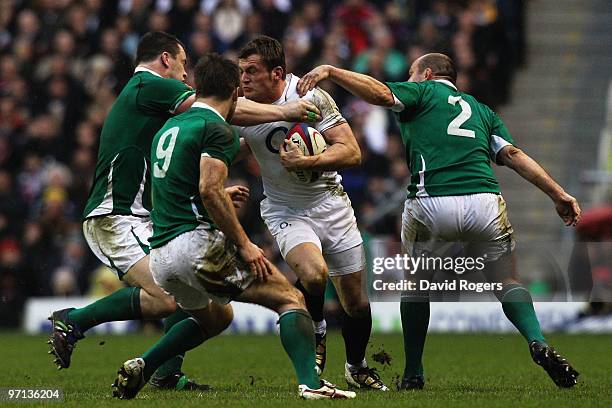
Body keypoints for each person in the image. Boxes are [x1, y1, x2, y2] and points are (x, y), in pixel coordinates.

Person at [47, 31, 321, 392]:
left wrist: (214, 185)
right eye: (182, 63)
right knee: (164, 296)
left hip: (144, 213)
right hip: (117, 215)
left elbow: (175, 164)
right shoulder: (148, 85)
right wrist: (284, 112)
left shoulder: (157, 111)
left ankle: (163, 371)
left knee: (217, 315)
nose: (184, 73)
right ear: (165, 59)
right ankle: (76, 321)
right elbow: (219, 106)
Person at [297, 53, 581, 390]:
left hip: (432, 201)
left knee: (417, 286)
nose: (409, 79)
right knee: (507, 281)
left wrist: (332, 71)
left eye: (411, 73)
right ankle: (537, 340)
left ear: (428, 74)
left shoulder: (423, 91)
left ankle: (413, 373)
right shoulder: (481, 110)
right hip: (484, 201)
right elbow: (514, 156)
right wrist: (557, 193)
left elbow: (380, 94)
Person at [111, 53, 355, 400]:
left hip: (162, 252)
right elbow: (209, 189)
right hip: (193, 245)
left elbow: (175, 188)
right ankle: (312, 384)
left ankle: (144, 365)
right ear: (232, 91)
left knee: (216, 319)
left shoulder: (169, 127)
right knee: (291, 299)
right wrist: (243, 243)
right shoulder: (218, 129)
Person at [235, 36, 388, 391]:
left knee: (354, 301)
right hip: (285, 209)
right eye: (241, 71)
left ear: (277, 73)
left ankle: (357, 366)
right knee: (314, 274)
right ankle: (317, 332)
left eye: (252, 71)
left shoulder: (309, 97)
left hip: (331, 204)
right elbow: (223, 141)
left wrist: (309, 162)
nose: (243, 79)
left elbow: (351, 152)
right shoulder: (239, 107)